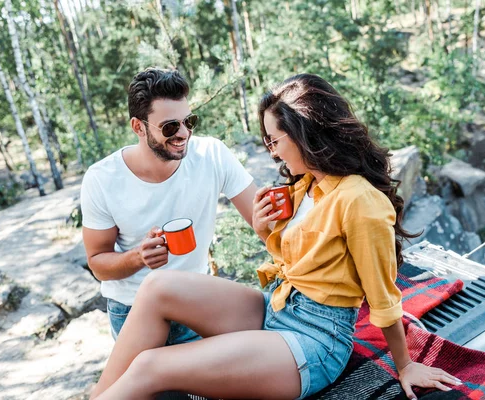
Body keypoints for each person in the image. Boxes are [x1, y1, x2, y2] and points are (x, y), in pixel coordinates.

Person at [89, 74, 461, 400]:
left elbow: (383, 297)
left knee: (152, 365)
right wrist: (268, 230)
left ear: (304, 134)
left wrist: (406, 365)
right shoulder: (306, 186)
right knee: (156, 287)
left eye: (274, 141)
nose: (271, 152)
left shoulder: (359, 201)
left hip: (316, 341)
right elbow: (302, 262)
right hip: (281, 308)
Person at [81, 67, 257, 345]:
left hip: (197, 299)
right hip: (134, 311)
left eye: (189, 121)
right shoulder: (102, 179)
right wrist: (138, 257)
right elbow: (98, 263)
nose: (184, 133)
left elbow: (262, 221)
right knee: (156, 389)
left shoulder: (211, 155)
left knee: (216, 384)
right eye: (170, 127)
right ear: (138, 127)